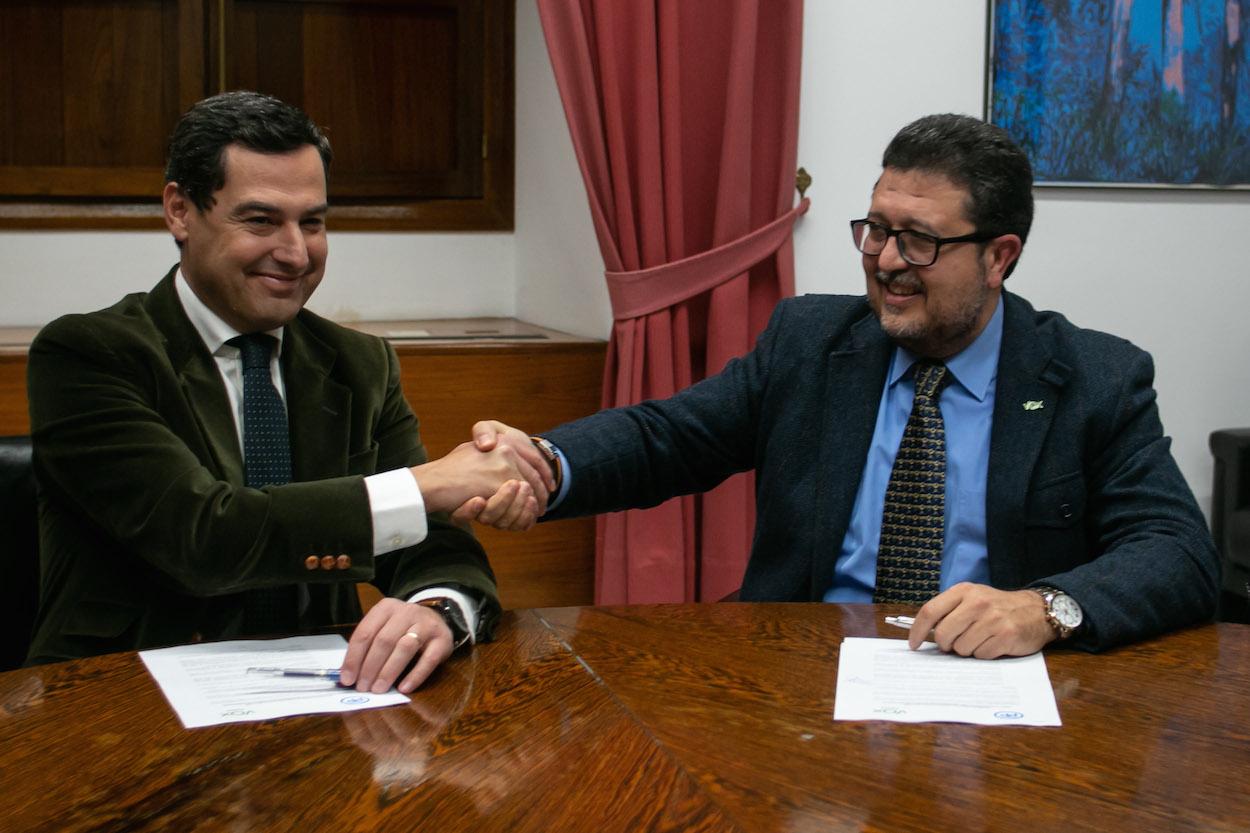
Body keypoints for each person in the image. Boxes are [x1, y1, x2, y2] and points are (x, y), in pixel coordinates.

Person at [474, 113, 1219, 658]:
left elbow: (1179, 552)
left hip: (996, 697)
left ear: (999, 257)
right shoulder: (810, 342)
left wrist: (1045, 607)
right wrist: (543, 463)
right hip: (801, 672)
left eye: (919, 240)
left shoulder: (1091, 377)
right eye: (874, 228)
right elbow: (669, 436)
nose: (885, 259)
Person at [25, 91, 551, 693]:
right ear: (180, 210)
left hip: (323, 694)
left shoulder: (360, 363)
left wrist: (434, 609)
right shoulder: (88, 353)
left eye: (314, 222)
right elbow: (202, 536)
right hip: (116, 703)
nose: (296, 253)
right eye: (261, 220)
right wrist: (428, 483)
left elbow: (432, 546)